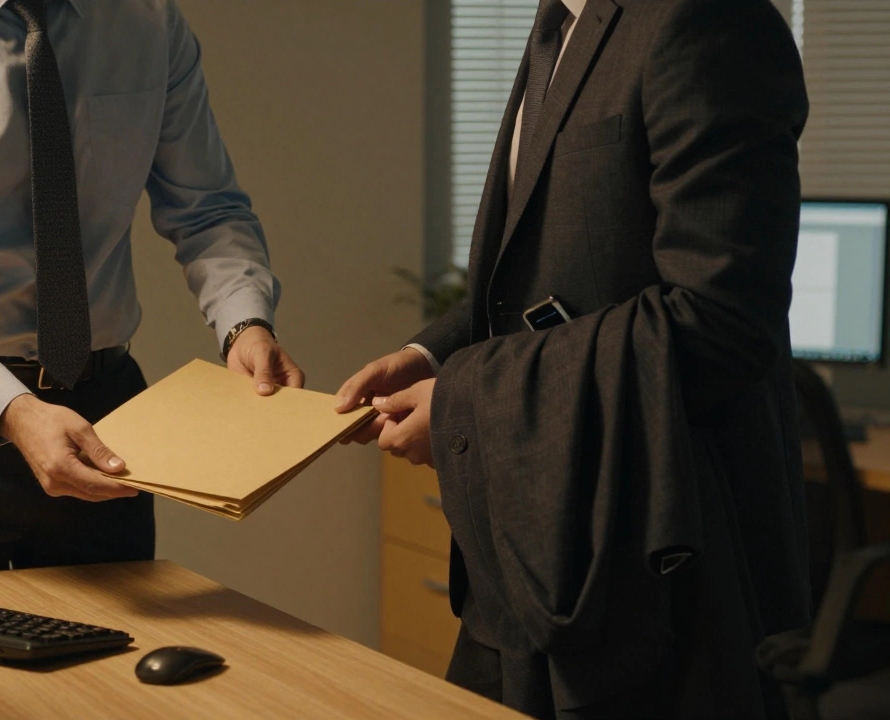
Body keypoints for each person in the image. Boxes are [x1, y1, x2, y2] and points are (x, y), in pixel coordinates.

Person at [337, 0, 809, 716]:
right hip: (534, 548)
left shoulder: (710, 17)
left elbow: (719, 322)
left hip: (660, 565)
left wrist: (465, 403)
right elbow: (540, 286)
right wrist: (429, 354)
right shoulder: (556, 24)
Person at [0, 0, 303, 574]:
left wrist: (245, 324)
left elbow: (208, 209)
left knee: (116, 654)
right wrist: (14, 410)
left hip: (107, 416)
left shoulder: (146, 22)